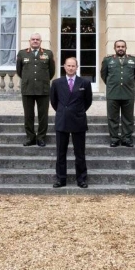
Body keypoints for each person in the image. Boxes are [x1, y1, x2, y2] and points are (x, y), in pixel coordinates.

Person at [50, 57, 93, 188]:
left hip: (78, 120)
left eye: (73, 66)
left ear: (77, 67)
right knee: (60, 152)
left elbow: (88, 101)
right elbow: (54, 101)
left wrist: (77, 111)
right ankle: (61, 179)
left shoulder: (84, 83)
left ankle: (81, 179)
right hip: (62, 120)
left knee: (79, 152)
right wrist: (64, 111)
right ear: (64, 66)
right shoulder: (57, 83)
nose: (70, 68)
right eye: (68, 65)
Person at [16, 33, 56, 147]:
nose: (35, 41)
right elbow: (19, 71)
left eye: (37, 39)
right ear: (29, 41)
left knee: (43, 115)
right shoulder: (22, 53)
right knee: (28, 115)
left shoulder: (48, 53)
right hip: (27, 88)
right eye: (33, 39)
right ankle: (30, 138)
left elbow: (51, 72)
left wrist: (43, 80)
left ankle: (41, 138)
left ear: (40, 41)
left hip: (43, 89)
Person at [100, 40, 135, 147]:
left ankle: (126, 138)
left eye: (122, 46)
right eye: (118, 46)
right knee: (112, 118)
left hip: (128, 93)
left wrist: (128, 84)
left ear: (126, 47)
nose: (120, 48)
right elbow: (104, 75)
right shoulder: (107, 60)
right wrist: (112, 85)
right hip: (113, 93)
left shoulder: (134, 60)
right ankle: (114, 138)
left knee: (128, 118)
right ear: (114, 48)